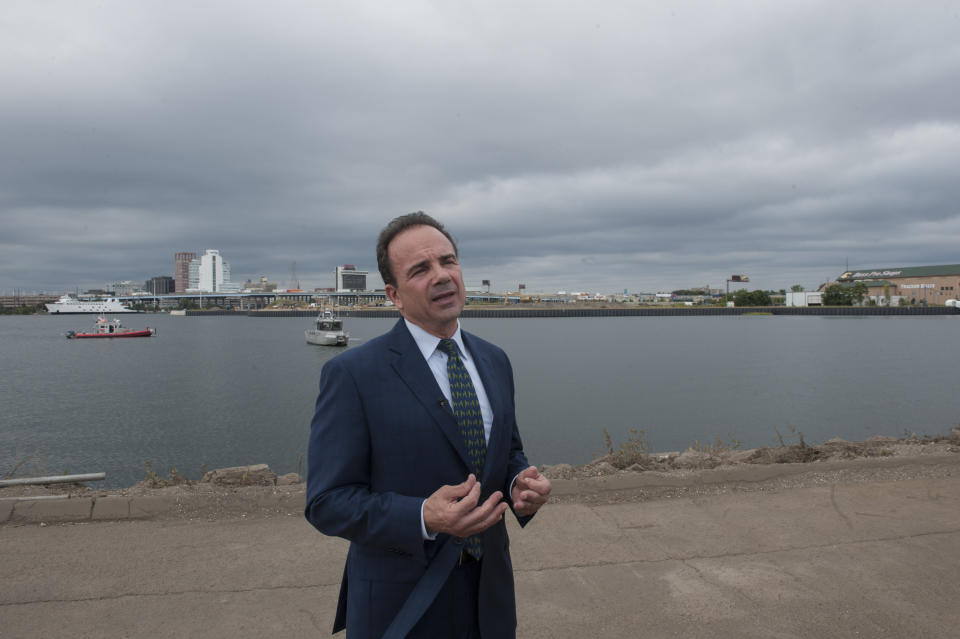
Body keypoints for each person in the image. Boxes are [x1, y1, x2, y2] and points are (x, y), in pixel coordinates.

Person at [305, 211, 551, 639]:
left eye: (448, 261)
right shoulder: (353, 374)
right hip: (401, 603)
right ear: (394, 295)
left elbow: (507, 453)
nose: (441, 276)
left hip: (489, 595)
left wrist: (518, 487)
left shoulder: (495, 360)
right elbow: (326, 501)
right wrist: (423, 515)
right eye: (420, 269)